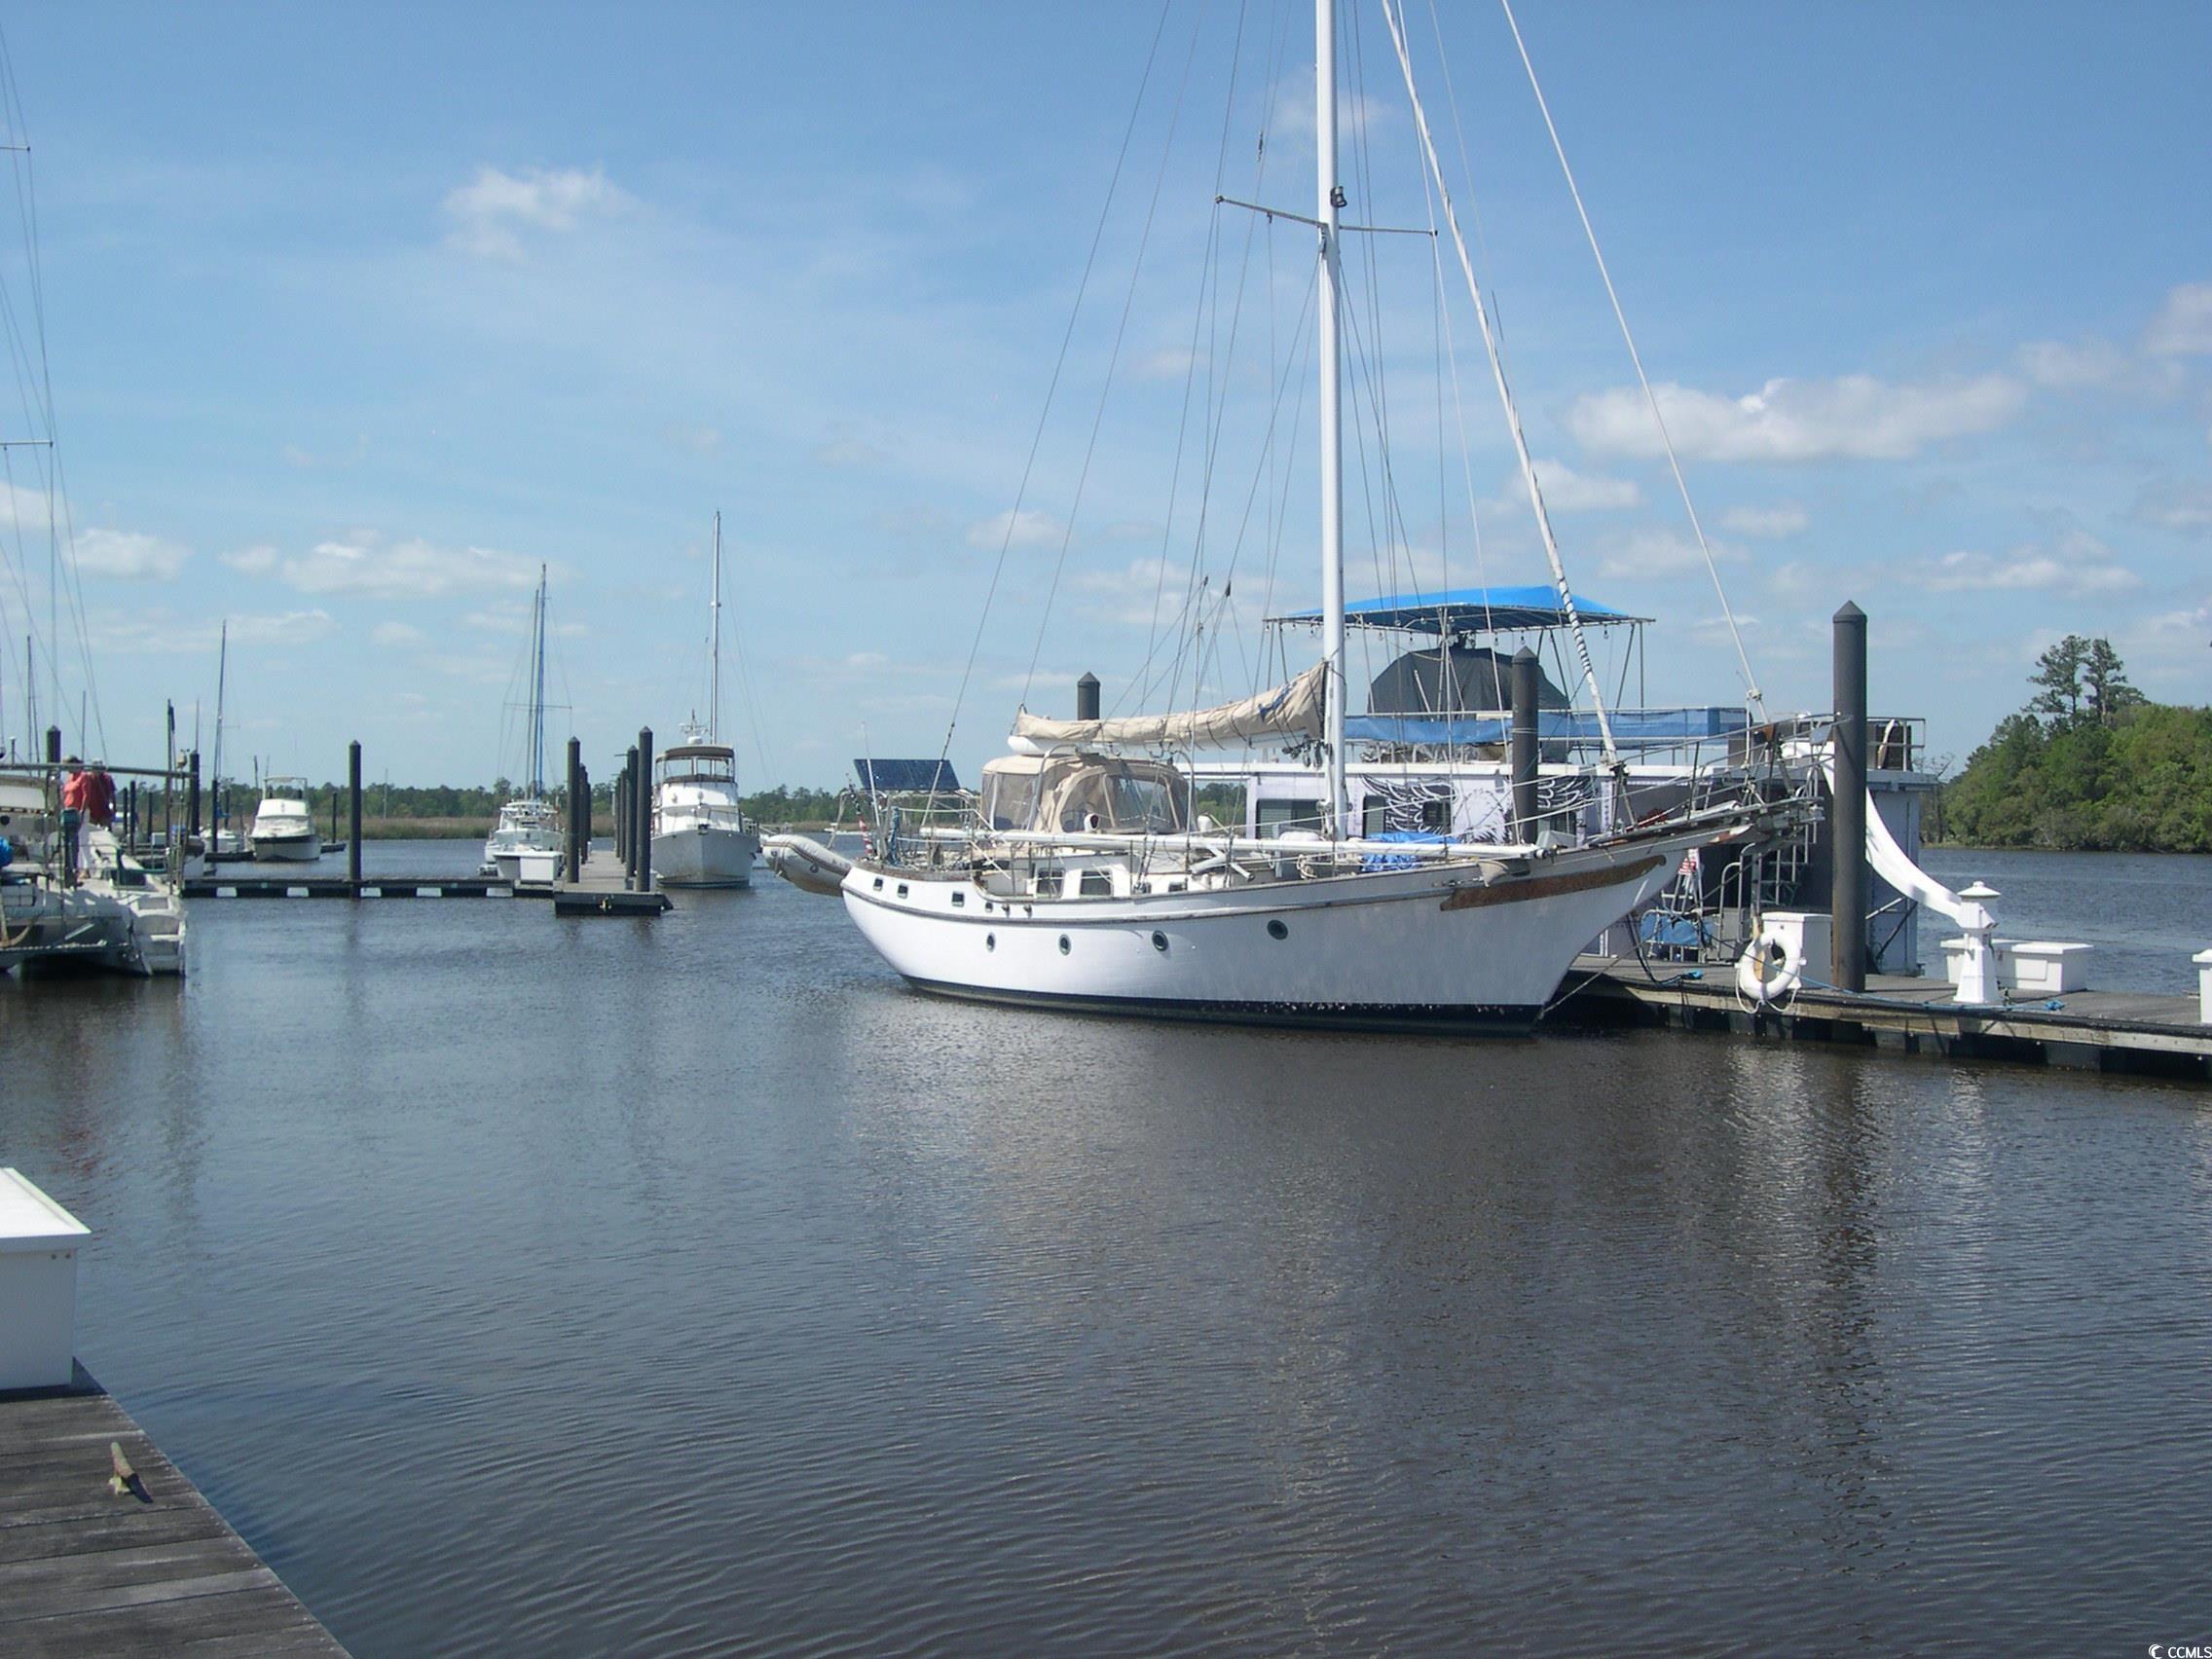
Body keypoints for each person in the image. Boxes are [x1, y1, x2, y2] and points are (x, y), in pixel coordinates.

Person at [59, 756, 87, 884]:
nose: (67, 770)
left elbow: (86, 794)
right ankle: (66, 874)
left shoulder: (83, 777)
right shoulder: (69, 778)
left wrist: (82, 811)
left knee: (73, 844)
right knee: (65, 844)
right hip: (66, 812)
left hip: (76, 813)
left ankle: (73, 873)